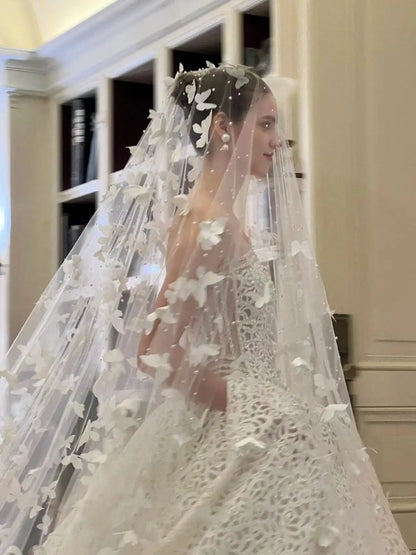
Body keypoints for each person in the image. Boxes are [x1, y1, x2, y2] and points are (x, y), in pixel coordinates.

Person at [0, 64, 409, 554]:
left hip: (257, 429)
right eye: (265, 123)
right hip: (241, 427)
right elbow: (155, 349)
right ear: (220, 128)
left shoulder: (227, 222)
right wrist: (250, 405)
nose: (278, 140)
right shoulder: (205, 225)